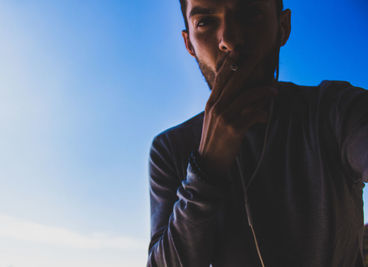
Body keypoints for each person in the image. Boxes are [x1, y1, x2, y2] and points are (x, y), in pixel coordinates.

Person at [147, 0, 368, 266]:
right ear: (188, 44)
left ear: (283, 28)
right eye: (204, 22)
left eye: (250, 13)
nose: (229, 39)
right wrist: (206, 168)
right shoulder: (170, 149)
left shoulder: (335, 111)